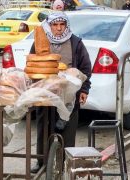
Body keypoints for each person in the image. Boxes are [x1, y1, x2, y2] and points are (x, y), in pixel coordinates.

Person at [30, 11, 92, 173]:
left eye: (61, 24)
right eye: (54, 25)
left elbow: (85, 68)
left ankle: (65, 163)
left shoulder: (76, 42)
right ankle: (42, 161)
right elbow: (32, 63)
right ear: (49, 26)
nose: (58, 28)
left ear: (66, 25)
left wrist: (84, 89)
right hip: (46, 92)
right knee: (44, 127)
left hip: (69, 95)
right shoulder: (41, 41)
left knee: (68, 130)